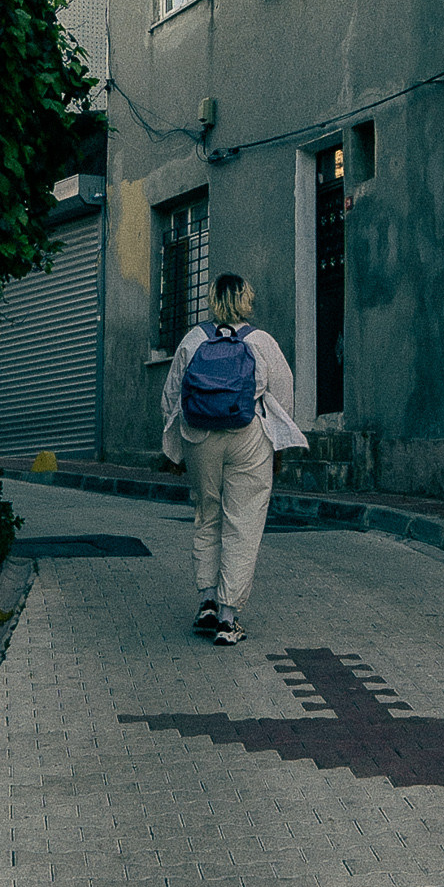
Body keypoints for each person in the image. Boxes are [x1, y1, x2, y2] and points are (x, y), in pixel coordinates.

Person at [159, 273, 306, 645]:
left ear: (212, 299)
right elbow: (284, 396)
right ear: (245, 300)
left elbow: (171, 396)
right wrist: (277, 447)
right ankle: (227, 619)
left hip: (199, 437)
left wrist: (177, 449)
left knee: (207, 514)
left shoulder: (193, 339)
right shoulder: (261, 342)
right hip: (248, 436)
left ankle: (207, 600)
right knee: (243, 522)